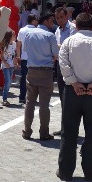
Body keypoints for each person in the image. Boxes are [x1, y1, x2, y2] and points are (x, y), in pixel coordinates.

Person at [57, 12, 92, 181]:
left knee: (69, 132)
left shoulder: (68, 42)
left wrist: (74, 83)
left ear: (77, 26)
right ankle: (91, 172)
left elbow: (63, 64)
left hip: (72, 91)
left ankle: (65, 172)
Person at [22, 12, 59, 141]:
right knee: (44, 105)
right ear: (45, 22)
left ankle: (27, 131)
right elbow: (56, 55)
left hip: (32, 70)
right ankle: (44, 132)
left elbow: (26, 50)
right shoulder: (50, 35)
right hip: (46, 71)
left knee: (30, 102)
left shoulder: (29, 34)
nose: (53, 23)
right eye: (51, 21)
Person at [53, 7, 76, 135]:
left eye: (61, 17)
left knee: (71, 98)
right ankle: (64, 128)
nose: (59, 20)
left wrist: (58, 47)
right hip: (60, 65)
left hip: (71, 66)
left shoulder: (73, 28)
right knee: (63, 97)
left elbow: (72, 47)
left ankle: (71, 130)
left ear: (67, 16)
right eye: (57, 18)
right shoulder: (57, 30)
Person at [16, 14, 38, 104]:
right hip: (34, 58)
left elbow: (18, 44)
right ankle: (32, 97)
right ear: (33, 21)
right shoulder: (37, 31)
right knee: (34, 78)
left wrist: (18, 55)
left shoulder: (22, 30)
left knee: (23, 77)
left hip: (24, 57)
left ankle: (22, 96)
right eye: (36, 20)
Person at [0, 30, 16, 106]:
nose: (15, 36)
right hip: (5, 66)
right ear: (10, 37)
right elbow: (1, 56)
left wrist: (15, 61)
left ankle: (5, 97)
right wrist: (6, 63)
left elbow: (14, 54)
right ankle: (4, 99)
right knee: (8, 81)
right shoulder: (5, 45)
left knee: (9, 82)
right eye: (13, 35)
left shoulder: (14, 44)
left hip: (12, 65)